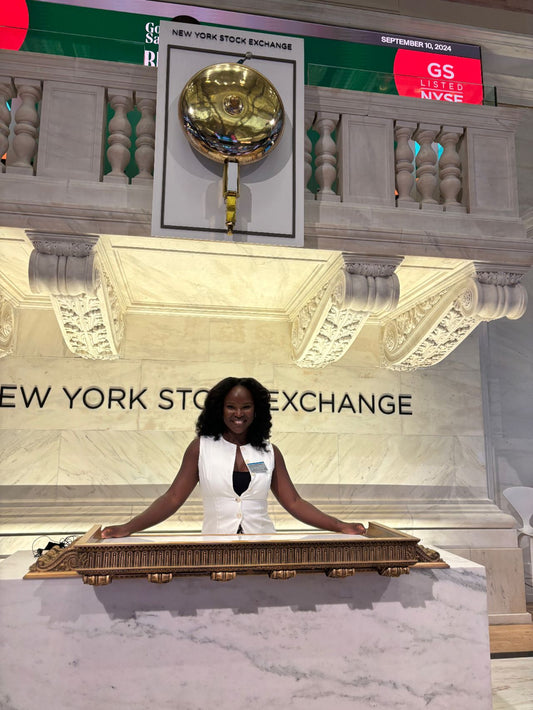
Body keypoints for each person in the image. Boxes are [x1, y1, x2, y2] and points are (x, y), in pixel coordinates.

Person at [101, 377, 366, 538]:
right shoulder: (201, 448)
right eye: (231, 407)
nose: (238, 414)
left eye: (245, 407)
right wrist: (129, 527)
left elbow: (295, 503)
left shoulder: (269, 452)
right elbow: (172, 498)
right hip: (215, 549)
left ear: (256, 411)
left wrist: (339, 526)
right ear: (220, 410)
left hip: (264, 548)